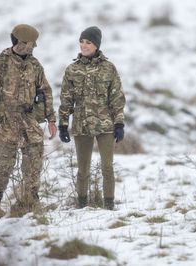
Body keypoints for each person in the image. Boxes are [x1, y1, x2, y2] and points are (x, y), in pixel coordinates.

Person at [0, 24, 57, 217]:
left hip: (28, 120)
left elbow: (45, 92)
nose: (33, 47)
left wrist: (51, 119)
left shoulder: (35, 65)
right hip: (5, 121)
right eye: (31, 44)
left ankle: (30, 201)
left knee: (34, 160)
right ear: (20, 42)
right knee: (4, 163)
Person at [58, 26, 126, 210]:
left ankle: (109, 206)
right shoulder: (72, 70)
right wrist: (63, 124)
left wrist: (119, 123)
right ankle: (81, 206)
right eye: (81, 41)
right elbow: (66, 99)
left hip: (105, 125)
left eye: (88, 42)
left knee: (107, 168)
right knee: (83, 171)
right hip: (81, 126)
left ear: (96, 45)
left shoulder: (109, 68)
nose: (83, 45)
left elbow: (117, 98)